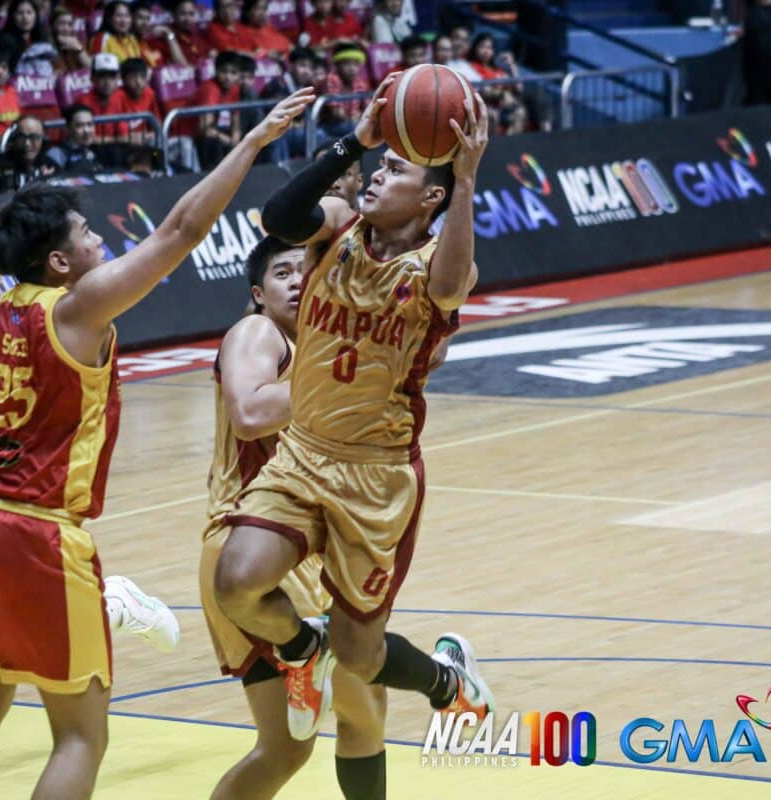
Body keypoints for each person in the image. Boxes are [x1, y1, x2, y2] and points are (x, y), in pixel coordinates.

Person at [0, 88, 315, 800]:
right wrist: (253, 142)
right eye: (86, 235)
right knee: (82, 734)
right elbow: (179, 229)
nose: (99, 240)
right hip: (38, 533)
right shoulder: (80, 308)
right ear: (58, 261)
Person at [213, 76, 494, 796]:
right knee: (237, 583)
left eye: (398, 169)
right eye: (380, 163)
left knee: (362, 658)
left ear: (429, 197)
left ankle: (443, 681)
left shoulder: (433, 263)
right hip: (304, 453)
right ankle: (302, 652)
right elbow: (279, 213)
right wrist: (356, 138)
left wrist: (464, 182)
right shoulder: (336, 223)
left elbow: (457, 278)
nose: (377, 173)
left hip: (376, 475)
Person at [0, 222, 182, 773]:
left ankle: (112, 603)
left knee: (2, 621)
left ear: (1, 270)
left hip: (10, 492)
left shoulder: (14, 329)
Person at [201, 236, 388, 800]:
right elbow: (251, 412)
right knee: (366, 707)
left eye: (307, 269)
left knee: (285, 747)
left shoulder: (322, 350)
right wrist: (342, 376)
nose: (298, 279)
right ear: (258, 294)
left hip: (284, 553)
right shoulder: (259, 334)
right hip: (255, 551)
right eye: (282, 273)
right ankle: (448, 681)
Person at [193, 51, 244, 169]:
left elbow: (236, 120)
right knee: (213, 143)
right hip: (191, 136)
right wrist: (228, 140)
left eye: (233, 73)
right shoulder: (210, 89)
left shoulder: (235, 89)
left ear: (239, 75)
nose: (228, 77)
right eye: (224, 71)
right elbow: (206, 129)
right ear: (216, 71)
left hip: (218, 131)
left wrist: (236, 138)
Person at [75, 53, 128, 140]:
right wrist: (114, 141)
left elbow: (124, 135)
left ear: (118, 78)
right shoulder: (83, 102)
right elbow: (85, 139)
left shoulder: (121, 96)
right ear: (92, 78)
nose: (107, 82)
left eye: (112, 77)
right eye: (102, 76)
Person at [321, 45, 370, 138]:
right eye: (347, 64)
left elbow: (368, 110)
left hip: (352, 123)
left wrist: (361, 116)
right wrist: (358, 117)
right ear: (337, 65)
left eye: (355, 64)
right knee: (360, 129)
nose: (352, 68)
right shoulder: (331, 79)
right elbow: (337, 114)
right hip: (330, 126)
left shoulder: (359, 81)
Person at [0, 114, 56, 187]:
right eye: (21, 137)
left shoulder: (51, 166)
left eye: (34, 137)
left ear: (43, 140)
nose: (27, 144)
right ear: (14, 139)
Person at [152, 0, 208, 67]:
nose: (188, 18)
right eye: (183, 13)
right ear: (174, 14)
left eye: (191, 14)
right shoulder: (166, 36)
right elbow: (181, 65)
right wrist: (169, 35)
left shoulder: (197, 33)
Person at [49, 7, 92, 73]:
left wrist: (78, 49)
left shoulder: (77, 42)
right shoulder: (46, 47)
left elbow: (91, 68)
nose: (66, 28)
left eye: (70, 24)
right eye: (62, 23)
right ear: (53, 25)